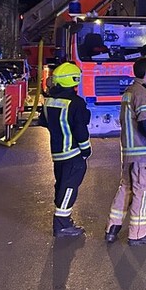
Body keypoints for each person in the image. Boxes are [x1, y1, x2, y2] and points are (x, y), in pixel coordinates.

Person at [105, 57, 146, 245]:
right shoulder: (144, 95)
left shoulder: (129, 92)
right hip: (143, 154)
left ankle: (112, 229)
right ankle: (138, 234)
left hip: (128, 153)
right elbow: (145, 124)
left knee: (125, 190)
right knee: (143, 194)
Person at [40, 62, 91, 238]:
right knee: (69, 187)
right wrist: (86, 150)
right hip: (73, 153)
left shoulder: (49, 101)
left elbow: (44, 122)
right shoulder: (75, 103)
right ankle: (61, 225)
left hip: (57, 153)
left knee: (61, 185)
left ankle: (64, 221)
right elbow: (80, 130)